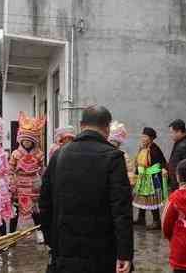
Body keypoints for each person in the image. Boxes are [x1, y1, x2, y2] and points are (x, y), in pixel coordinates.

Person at [40, 106, 134, 273]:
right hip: (102, 251)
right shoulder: (113, 157)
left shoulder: (59, 155)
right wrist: (124, 253)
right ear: (107, 128)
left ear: (81, 125)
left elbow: (45, 203)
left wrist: (51, 241)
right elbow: (121, 211)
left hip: (64, 248)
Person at [9, 112, 45, 243]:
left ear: (34, 141)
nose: (27, 142)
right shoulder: (16, 154)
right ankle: (12, 234)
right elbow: (10, 169)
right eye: (25, 140)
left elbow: (42, 169)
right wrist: (12, 182)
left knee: (36, 210)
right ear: (20, 140)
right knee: (17, 209)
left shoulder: (39, 154)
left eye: (30, 140)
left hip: (34, 185)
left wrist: (42, 182)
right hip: (19, 184)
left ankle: (40, 231)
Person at [132, 127, 168, 230]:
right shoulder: (142, 147)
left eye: (145, 137)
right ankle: (141, 219)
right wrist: (137, 173)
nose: (143, 138)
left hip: (153, 178)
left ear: (151, 138)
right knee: (142, 198)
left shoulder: (155, 149)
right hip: (143, 177)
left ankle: (157, 221)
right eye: (142, 136)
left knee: (153, 199)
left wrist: (163, 169)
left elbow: (162, 162)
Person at [168, 119, 186, 192]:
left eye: (172, 132)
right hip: (176, 182)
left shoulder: (185, 145)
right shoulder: (179, 142)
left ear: (179, 132)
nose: (170, 135)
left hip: (180, 185)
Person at [109, 121, 136, 186]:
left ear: (119, 143)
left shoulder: (123, 155)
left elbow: (129, 170)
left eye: (115, 142)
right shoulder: (104, 153)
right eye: (112, 141)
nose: (113, 143)